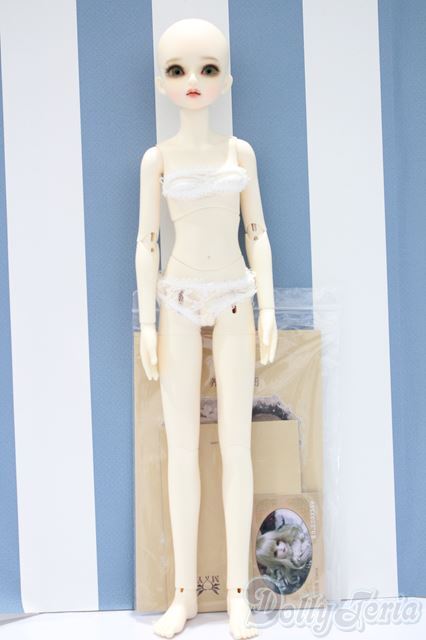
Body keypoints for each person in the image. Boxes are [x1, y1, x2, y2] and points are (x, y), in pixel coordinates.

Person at [135, 17, 277, 639]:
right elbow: (146, 241)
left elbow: (258, 232)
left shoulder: (239, 152)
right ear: (161, 82)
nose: (193, 80)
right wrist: (147, 322)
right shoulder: (157, 158)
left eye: (208, 68)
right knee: (182, 449)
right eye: (178, 69)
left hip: (236, 298)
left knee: (238, 446)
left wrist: (269, 308)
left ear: (227, 80)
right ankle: (184, 595)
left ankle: (239, 593)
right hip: (176, 301)